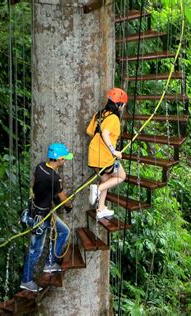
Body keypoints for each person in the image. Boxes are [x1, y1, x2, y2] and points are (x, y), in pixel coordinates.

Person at [20, 143, 73, 292]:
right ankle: (26, 280)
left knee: (64, 231)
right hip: (41, 218)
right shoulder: (55, 178)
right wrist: (69, 205)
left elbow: (40, 187)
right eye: (64, 158)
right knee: (35, 251)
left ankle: (50, 263)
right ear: (59, 158)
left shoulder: (40, 167)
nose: (65, 161)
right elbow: (62, 197)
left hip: (39, 211)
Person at [86, 87, 128, 220]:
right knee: (121, 176)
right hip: (104, 156)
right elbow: (105, 133)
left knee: (105, 179)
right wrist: (113, 150)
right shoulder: (114, 118)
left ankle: (101, 209)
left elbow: (89, 131)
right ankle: (97, 190)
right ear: (119, 104)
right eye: (123, 104)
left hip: (93, 154)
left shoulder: (99, 114)